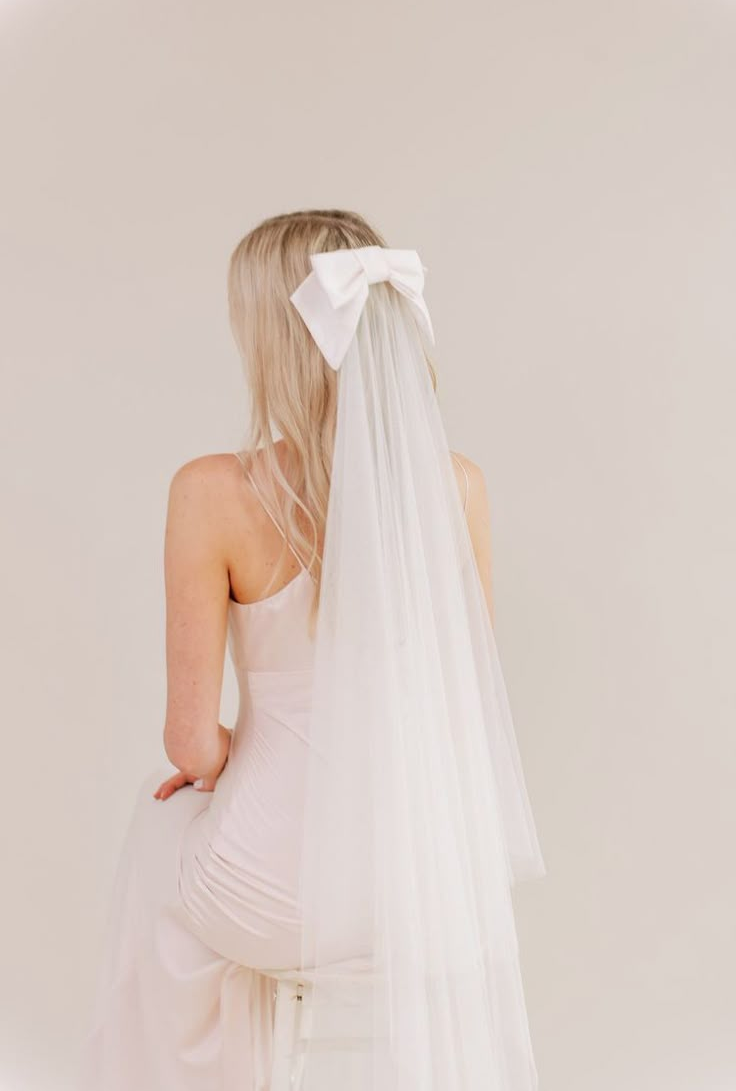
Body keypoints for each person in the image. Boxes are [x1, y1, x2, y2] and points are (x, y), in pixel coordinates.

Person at [78, 208, 545, 1091]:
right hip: (426, 888)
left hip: (273, 895)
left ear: (270, 338)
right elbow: (466, 711)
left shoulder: (212, 491)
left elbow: (190, 746)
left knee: (160, 823)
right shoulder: (460, 487)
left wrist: (220, 762)